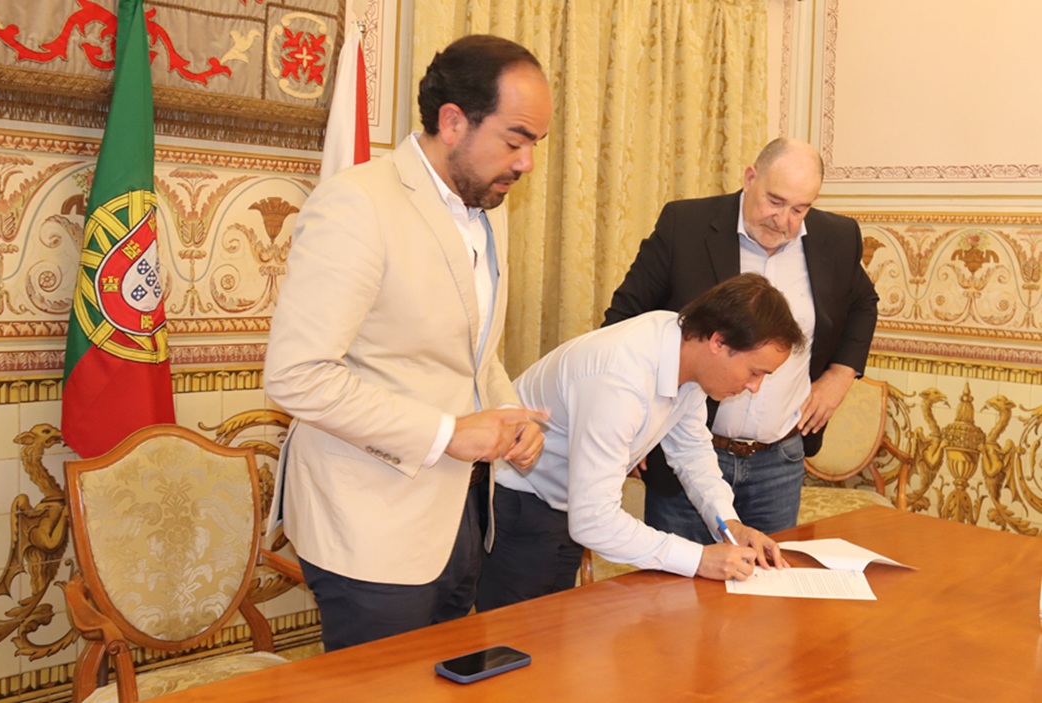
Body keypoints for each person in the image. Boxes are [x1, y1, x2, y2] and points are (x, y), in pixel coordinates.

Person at [263, 35, 551, 650]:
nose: (526, 162)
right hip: (372, 525)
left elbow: (469, 349)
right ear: (453, 122)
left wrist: (509, 413)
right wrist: (449, 433)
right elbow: (298, 376)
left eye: (534, 144)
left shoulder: (487, 202)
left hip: (461, 515)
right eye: (515, 138)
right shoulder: (357, 204)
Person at [603, 137, 879, 545]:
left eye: (799, 209)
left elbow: (863, 304)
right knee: (677, 597)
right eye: (774, 200)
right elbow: (623, 322)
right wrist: (632, 422)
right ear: (751, 178)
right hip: (689, 456)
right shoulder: (687, 225)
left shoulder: (836, 237)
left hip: (779, 459)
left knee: (766, 595)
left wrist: (839, 375)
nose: (783, 220)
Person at [476, 273, 802, 611]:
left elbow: (691, 453)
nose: (755, 387)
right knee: (517, 643)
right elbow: (595, 521)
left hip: (566, 500)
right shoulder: (620, 379)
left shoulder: (685, 351)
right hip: (519, 501)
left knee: (554, 635)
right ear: (718, 342)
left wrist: (728, 524)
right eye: (754, 371)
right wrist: (700, 559)